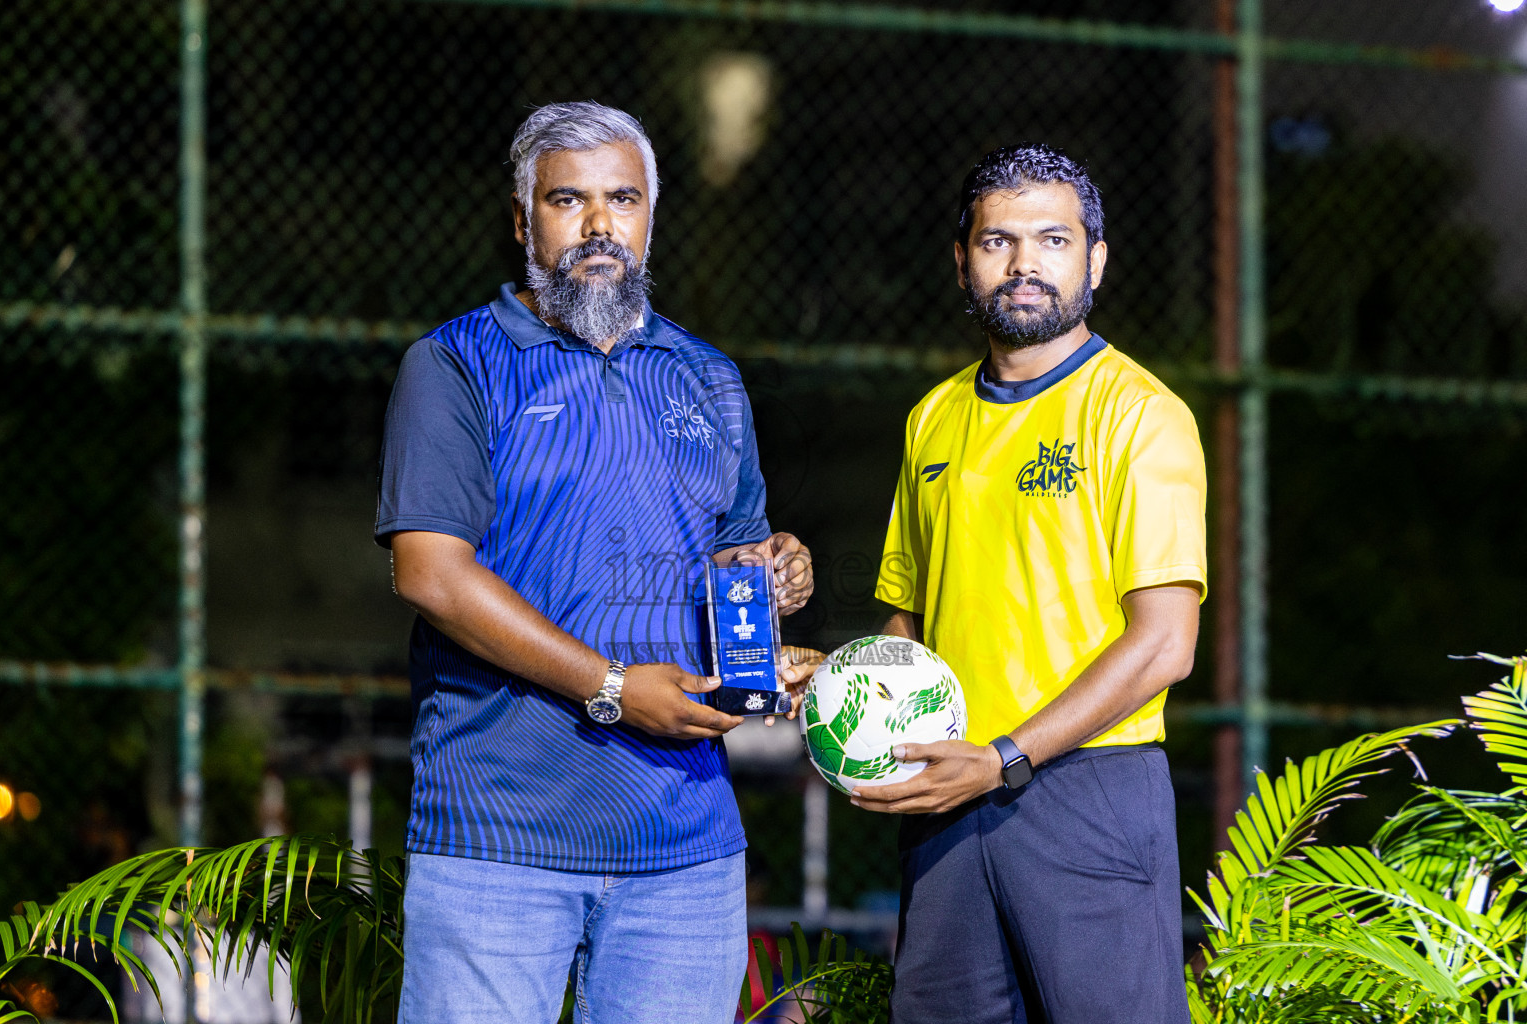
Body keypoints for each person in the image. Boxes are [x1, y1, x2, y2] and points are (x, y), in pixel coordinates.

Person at [375, 101, 814, 1024]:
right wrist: (612, 686)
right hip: (498, 840)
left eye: (623, 199)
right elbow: (431, 575)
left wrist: (772, 584)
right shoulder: (455, 363)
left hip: (685, 847)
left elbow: (733, 556)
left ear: (652, 213)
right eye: (568, 200)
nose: (599, 225)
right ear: (522, 217)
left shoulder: (709, 375)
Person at [856, 145, 1207, 1023]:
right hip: (948, 794)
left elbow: (1165, 642)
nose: (1023, 264)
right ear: (963, 261)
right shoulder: (932, 417)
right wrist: (844, 691)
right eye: (996, 241)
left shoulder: (1140, 413)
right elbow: (908, 624)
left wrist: (1004, 757)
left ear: (1095, 259)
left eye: (1053, 239)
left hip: (1089, 787)